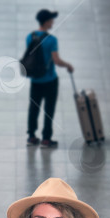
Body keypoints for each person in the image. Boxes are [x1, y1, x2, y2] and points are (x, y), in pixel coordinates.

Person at [26, 10, 74, 149]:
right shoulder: (52, 40)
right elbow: (57, 61)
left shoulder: (30, 37)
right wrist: (68, 65)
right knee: (49, 109)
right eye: (51, 20)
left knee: (33, 108)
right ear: (46, 22)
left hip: (35, 80)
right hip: (50, 80)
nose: (53, 22)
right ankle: (46, 139)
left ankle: (31, 136)